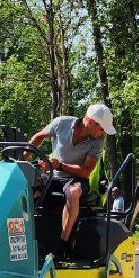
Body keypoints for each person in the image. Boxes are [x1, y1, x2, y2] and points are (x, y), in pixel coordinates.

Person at [30, 103, 115, 247]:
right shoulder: (61, 123)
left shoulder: (98, 140)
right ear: (92, 123)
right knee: (27, 186)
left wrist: (60, 165)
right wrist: (21, 159)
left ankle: (64, 243)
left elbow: (85, 171)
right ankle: (28, 237)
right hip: (52, 175)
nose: (103, 133)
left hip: (76, 179)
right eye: (102, 129)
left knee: (73, 192)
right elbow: (38, 137)